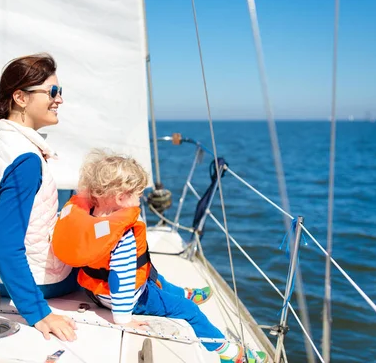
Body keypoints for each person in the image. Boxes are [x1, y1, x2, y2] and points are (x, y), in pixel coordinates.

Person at [52, 150, 268, 362]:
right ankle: (229, 353)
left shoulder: (88, 217)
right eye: (138, 194)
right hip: (122, 302)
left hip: (93, 291)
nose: (141, 199)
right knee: (189, 311)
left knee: (151, 274)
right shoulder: (123, 234)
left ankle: (183, 293)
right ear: (120, 197)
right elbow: (122, 279)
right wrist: (123, 319)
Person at [0, 53, 78, 342]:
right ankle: (168, 298)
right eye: (52, 92)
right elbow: (6, 245)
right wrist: (38, 312)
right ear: (21, 98)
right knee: (112, 232)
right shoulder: (25, 160)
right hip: (33, 284)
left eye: (60, 92)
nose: (59, 100)